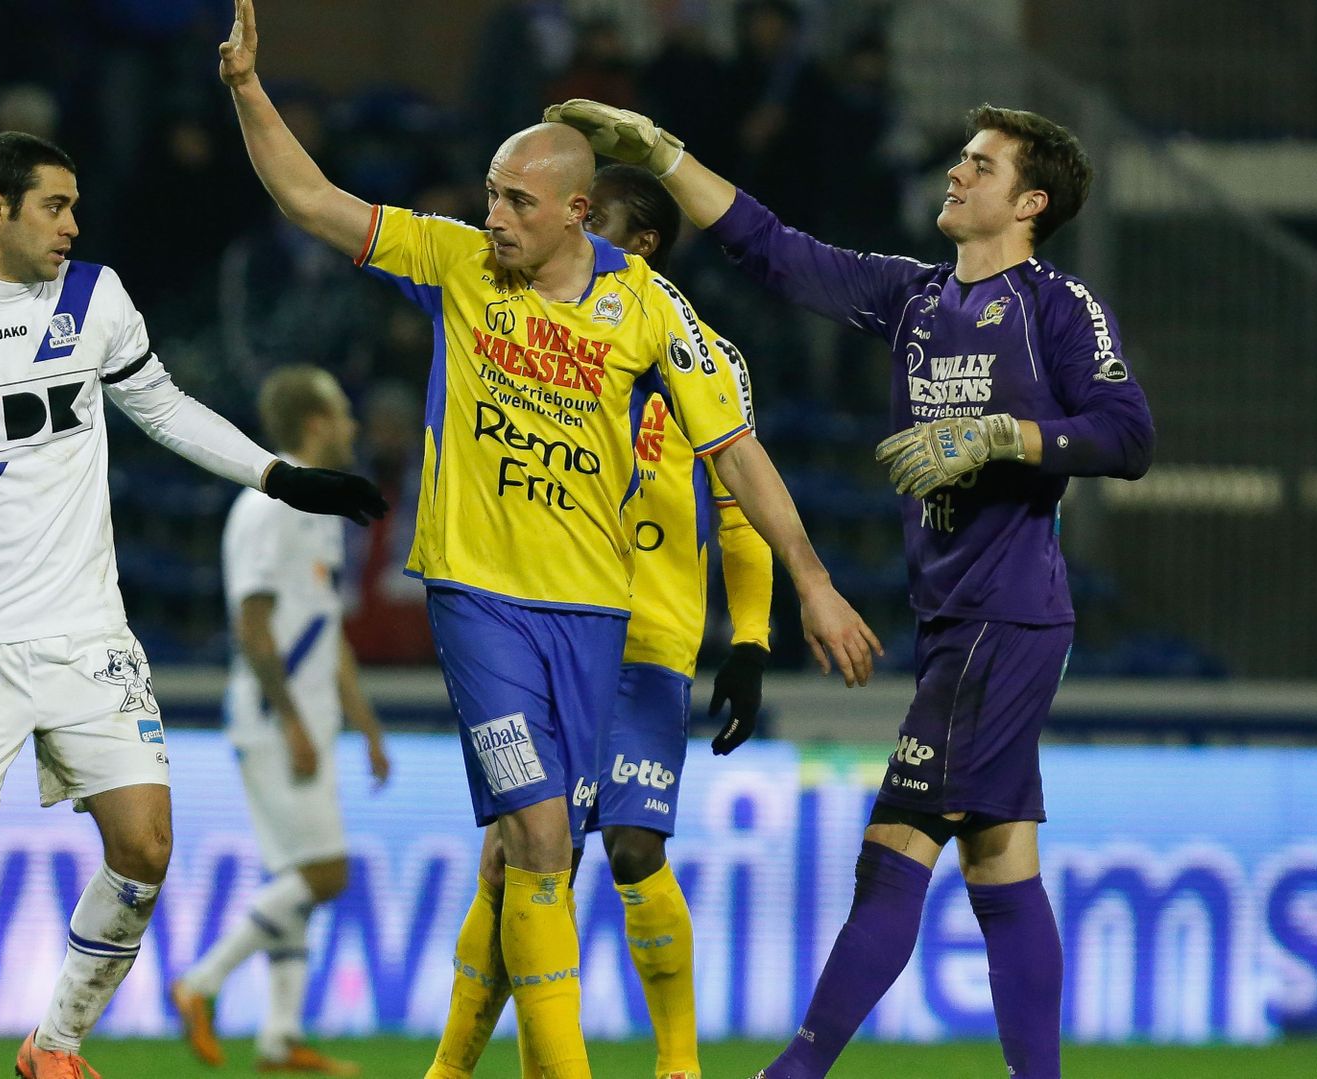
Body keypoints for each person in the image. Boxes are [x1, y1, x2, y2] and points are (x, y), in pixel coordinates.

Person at [216, 3, 881, 1075]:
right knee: (534, 834)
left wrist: (810, 583)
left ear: (580, 212)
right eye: (489, 195)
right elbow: (311, 198)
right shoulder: (454, 264)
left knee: (551, 853)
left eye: (517, 202)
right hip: (480, 599)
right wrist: (250, 90)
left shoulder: (651, 314)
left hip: (598, 615)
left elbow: (742, 457)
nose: (495, 218)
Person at [545, 99, 1156, 1078]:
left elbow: (1129, 433)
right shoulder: (913, 296)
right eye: (959, 158)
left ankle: (796, 1067)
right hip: (962, 618)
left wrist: (1007, 436)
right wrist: (665, 150)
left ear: (1031, 201)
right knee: (999, 859)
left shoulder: (1056, 306)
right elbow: (771, 248)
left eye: (982, 166)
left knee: (895, 847)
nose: (957, 173)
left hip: (1008, 613)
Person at [0, 130, 386, 1079]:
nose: (73, 225)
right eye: (54, 206)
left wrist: (278, 476)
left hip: (87, 630)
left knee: (144, 847)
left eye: (74, 207)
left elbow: (165, 405)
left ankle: (53, 1047)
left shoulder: (95, 298)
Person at [421, 163, 775, 1079]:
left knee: (632, 842)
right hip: (549, 609)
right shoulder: (535, 318)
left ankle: (678, 1063)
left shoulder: (698, 354)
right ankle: (458, 1065)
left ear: (640, 243)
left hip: (650, 631)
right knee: (519, 851)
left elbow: (740, 510)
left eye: (600, 226)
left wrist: (752, 639)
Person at [171, 365, 391, 1076]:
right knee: (325, 874)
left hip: (307, 717)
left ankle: (278, 1038)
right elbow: (255, 626)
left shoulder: (315, 508)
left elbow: (327, 636)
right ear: (318, 422)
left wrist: (367, 727)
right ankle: (200, 983)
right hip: (275, 719)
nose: (354, 427)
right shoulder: (268, 505)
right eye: (343, 415)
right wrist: (293, 720)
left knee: (300, 874)